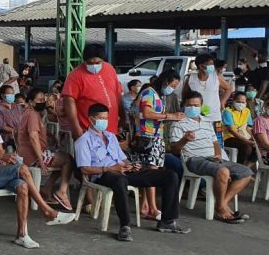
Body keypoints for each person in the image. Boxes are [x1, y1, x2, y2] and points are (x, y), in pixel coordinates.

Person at [0, 88, 73, 248]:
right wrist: (2, 157)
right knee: (22, 168)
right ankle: (47, 211)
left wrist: (6, 160)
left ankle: (22, 234)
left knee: (22, 186)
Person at [75, 103, 189, 241]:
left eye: (106, 118)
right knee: (119, 180)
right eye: (101, 118)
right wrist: (111, 168)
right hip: (103, 175)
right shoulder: (83, 141)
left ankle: (168, 221)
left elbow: (123, 159)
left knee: (170, 176)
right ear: (91, 119)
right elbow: (85, 169)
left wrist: (131, 165)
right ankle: (125, 226)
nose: (104, 121)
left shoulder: (111, 137)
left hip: (123, 171)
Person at [169, 92, 254, 224]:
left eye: (196, 105)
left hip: (213, 158)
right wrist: (185, 140)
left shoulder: (207, 122)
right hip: (194, 159)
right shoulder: (178, 124)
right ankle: (222, 209)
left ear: (201, 106)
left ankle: (221, 204)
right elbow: (174, 150)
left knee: (246, 173)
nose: (193, 108)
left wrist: (218, 154)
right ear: (184, 105)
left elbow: (215, 143)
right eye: (189, 105)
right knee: (223, 171)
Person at [133, 71, 185, 219]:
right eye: (172, 85)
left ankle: (145, 206)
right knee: (152, 173)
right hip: (148, 137)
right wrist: (170, 115)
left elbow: (154, 117)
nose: (172, 89)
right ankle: (153, 208)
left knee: (148, 172)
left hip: (154, 136)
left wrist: (173, 118)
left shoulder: (157, 95)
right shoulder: (150, 93)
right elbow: (147, 113)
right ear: (165, 81)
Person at [16, 86, 73, 210]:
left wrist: (51, 136)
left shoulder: (29, 112)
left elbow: (40, 128)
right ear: (31, 102)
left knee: (61, 159)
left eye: (44, 100)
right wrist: (41, 160)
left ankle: (47, 188)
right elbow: (33, 137)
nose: (43, 103)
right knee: (68, 160)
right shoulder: (32, 114)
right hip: (34, 156)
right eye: (39, 100)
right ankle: (62, 192)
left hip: (27, 154)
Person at [60, 44, 123, 139]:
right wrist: (76, 128)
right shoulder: (75, 75)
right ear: (84, 61)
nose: (94, 66)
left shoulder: (109, 69)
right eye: (90, 63)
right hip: (88, 131)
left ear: (103, 60)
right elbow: (69, 101)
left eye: (98, 63)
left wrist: (123, 116)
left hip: (111, 130)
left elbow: (118, 94)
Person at [182, 53, 231, 139]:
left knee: (217, 140)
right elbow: (185, 94)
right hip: (196, 116)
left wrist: (222, 102)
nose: (212, 67)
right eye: (210, 64)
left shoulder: (216, 77)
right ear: (201, 66)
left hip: (214, 115)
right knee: (198, 139)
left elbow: (228, 89)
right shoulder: (190, 78)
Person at [221, 91, 256, 167]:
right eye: (238, 102)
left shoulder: (247, 111)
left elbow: (248, 128)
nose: (240, 104)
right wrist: (247, 141)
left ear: (246, 102)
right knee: (246, 148)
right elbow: (231, 130)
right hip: (229, 138)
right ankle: (238, 167)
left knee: (258, 147)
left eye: (243, 102)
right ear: (233, 101)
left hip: (243, 136)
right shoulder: (227, 111)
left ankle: (246, 168)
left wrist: (255, 139)